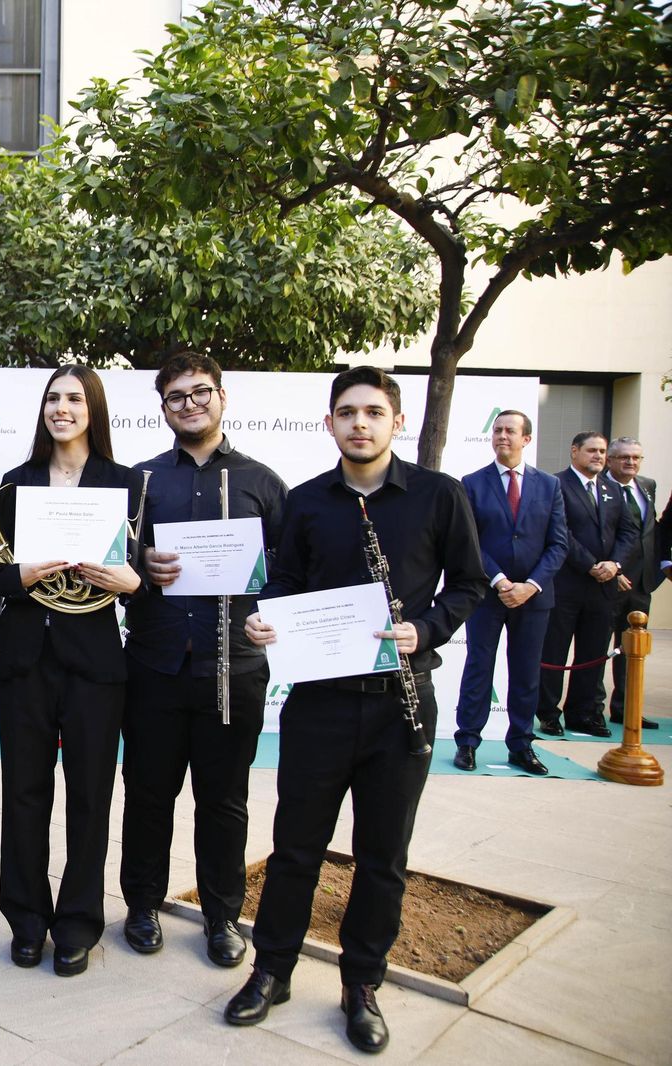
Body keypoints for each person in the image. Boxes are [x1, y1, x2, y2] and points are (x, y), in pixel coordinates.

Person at [226, 367, 484, 1054]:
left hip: (401, 705)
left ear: (397, 421)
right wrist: (263, 619)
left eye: (374, 412)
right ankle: (271, 971)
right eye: (347, 412)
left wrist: (425, 630)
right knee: (295, 850)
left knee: (382, 858)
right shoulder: (308, 502)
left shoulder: (440, 496)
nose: (360, 423)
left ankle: (361, 983)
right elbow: (283, 582)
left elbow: (469, 583)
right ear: (330, 423)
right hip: (319, 706)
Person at [0, 365, 141, 976]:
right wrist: (20, 574)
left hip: (95, 664)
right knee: (23, 794)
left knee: (90, 798)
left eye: (73, 398)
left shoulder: (126, 484)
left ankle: (77, 924)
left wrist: (132, 583)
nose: (61, 408)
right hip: (25, 659)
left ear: (92, 407)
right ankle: (26, 918)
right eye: (52, 398)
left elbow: (145, 576)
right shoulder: (16, 483)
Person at [122, 352, 286, 969]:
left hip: (233, 668)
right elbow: (109, 562)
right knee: (147, 794)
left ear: (223, 398)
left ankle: (223, 917)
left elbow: (289, 573)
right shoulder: (139, 482)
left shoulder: (262, 483)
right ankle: (142, 903)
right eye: (176, 397)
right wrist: (142, 567)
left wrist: (273, 615)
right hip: (154, 665)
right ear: (162, 408)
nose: (190, 405)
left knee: (224, 800)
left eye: (201, 393)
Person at [452, 410, 569, 773]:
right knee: (478, 669)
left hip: (534, 598)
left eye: (510, 431)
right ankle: (468, 742)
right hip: (488, 595)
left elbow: (558, 544)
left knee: (526, 674)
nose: (502, 436)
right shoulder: (472, 482)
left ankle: (521, 745)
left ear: (526, 440)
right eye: (497, 430)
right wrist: (501, 581)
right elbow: (469, 541)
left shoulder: (549, 486)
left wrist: (530, 586)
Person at [536, 431, 636, 737]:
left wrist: (614, 565)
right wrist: (591, 565)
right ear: (574, 451)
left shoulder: (612, 488)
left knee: (593, 653)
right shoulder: (556, 485)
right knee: (554, 652)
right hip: (566, 585)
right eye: (592, 450)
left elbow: (628, 532)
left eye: (603, 451)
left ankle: (583, 714)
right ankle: (548, 714)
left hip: (603, 588)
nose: (598, 456)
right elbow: (560, 532)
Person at [602, 437, 661, 728]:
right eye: (624, 457)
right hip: (609, 581)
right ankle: (588, 708)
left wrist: (662, 564)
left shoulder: (647, 486)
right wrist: (615, 570)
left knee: (632, 649)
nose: (631, 463)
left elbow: (651, 531)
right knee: (597, 648)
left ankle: (626, 707)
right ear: (609, 460)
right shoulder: (597, 488)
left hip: (641, 584)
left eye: (636, 458)